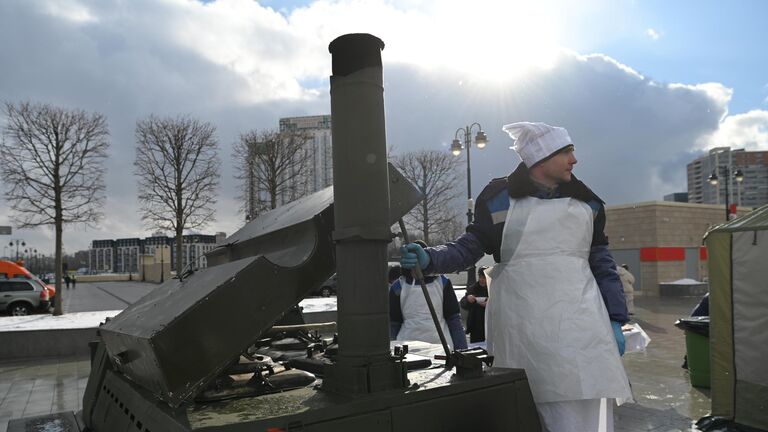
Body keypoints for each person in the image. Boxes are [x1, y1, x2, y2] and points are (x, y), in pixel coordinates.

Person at [400, 122, 631, 431]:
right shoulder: (499, 198)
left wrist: (615, 317)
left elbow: (602, 263)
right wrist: (431, 258)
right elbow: (470, 246)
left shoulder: (588, 203)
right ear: (540, 158)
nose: (574, 160)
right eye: (566, 152)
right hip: (522, 328)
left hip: (582, 330)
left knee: (584, 413)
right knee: (526, 410)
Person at [390, 241, 468, 350]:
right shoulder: (398, 287)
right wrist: (392, 348)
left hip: (441, 346)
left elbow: (454, 319)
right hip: (408, 347)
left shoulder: (443, 283)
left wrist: (462, 350)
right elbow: (394, 323)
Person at [460, 265, 489, 343]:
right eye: (481, 277)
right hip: (475, 325)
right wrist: (468, 300)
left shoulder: (492, 288)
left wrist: (489, 304)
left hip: (489, 324)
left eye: (484, 278)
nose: (482, 280)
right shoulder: (473, 288)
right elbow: (463, 304)